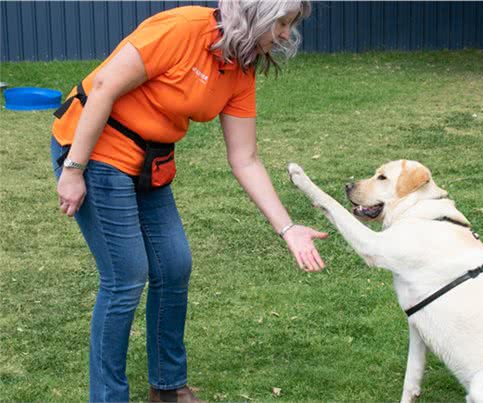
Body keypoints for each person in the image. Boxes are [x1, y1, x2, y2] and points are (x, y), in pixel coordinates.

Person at [50, 1, 326, 402]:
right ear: (256, 14)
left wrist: (288, 228)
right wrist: (74, 168)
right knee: (126, 277)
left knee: (174, 266)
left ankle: (167, 388)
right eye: (282, 22)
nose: (285, 34)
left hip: (149, 161)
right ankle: (107, 397)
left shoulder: (239, 68)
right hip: (95, 149)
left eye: (290, 24)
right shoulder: (182, 29)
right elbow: (106, 86)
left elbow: (244, 158)